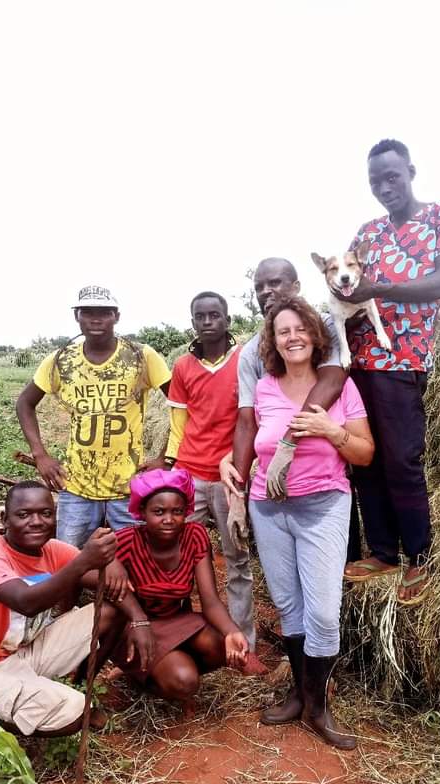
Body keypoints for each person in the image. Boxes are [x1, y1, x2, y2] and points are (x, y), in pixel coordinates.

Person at [339, 140, 440, 604]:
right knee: (367, 457)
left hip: (404, 357)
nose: (383, 187)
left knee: (401, 458)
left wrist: (379, 287)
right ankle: (382, 552)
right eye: (375, 180)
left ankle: (419, 557)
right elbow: (347, 282)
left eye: (391, 176)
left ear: (411, 171)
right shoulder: (367, 231)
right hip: (358, 357)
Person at [247, 297, 374, 750]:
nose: (292, 337)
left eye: (300, 328)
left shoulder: (341, 388)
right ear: (273, 341)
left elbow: (364, 452)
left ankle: (319, 706)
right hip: (268, 508)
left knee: (322, 613)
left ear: (315, 335)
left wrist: (332, 433)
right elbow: (255, 442)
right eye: (283, 331)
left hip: (323, 506)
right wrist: (231, 470)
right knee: (290, 608)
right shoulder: (264, 387)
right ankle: (299, 696)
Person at [0, 481, 154, 736]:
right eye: (24, 514)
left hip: (24, 654)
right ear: (4, 519)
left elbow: (110, 583)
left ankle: (79, 686)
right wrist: (85, 561)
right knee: (72, 714)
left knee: (112, 610)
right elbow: (26, 602)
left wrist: (139, 619)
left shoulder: (53, 550)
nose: (36, 521)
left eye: (45, 513)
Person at [16, 285, 172, 547]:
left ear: (117, 316)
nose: (96, 319)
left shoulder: (140, 357)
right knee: (68, 561)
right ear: (77, 316)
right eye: (87, 312)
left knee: (137, 562)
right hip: (78, 486)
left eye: (104, 312)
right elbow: (24, 403)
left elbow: (180, 403)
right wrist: (40, 454)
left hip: (129, 487)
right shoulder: (61, 361)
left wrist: (166, 458)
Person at [163, 291, 265, 675]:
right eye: (199, 316)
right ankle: (179, 640)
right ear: (192, 321)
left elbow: (253, 419)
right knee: (175, 561)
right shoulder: (184, 366)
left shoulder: (245, 360)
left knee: (237, 560)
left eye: (214, 315)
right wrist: (173, 473)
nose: (207, 322)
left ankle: (243, 646)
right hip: (189, 475)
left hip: (228, 477)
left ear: (226, 319)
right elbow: (179, 427)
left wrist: (243, 469)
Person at [220, 259, 346, 541]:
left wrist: (288, 443)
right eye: (259, 287)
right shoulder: (251, 353)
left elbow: (333, 380)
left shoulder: (325, 326)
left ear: (297, 286)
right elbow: (246, 421)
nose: (266, 291)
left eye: (274, 283)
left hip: (325, 472)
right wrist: (239, 492)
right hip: (274, 488)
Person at [112, 467, 249, 712]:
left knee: (220, 644)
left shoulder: (194, 535)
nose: (168, 519)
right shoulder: (126, 540)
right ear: (141, 512)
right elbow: (84, 569)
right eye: (158, 512)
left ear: (186, 512)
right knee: (184, 681)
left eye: (177, 511)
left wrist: (232, 632)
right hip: (139, 628)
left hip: (178, 621)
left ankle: (162, 664)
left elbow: (210, 601)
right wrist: (112, 566)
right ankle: (143, 676)